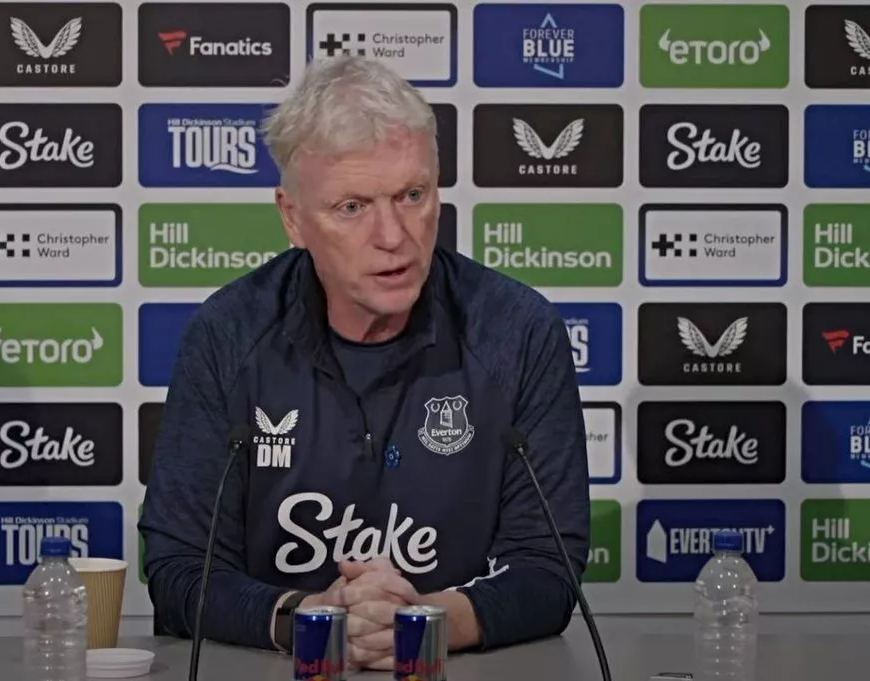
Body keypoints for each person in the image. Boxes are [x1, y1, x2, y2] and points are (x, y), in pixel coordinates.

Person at [138, 54, 591, 670]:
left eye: (412, 195)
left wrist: (419, 622)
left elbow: (548, 569)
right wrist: (314, 620)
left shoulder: (517, 331)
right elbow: (179, 570)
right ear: (293, 217)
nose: (393, 236)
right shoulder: (228, 334)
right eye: (352, 207)